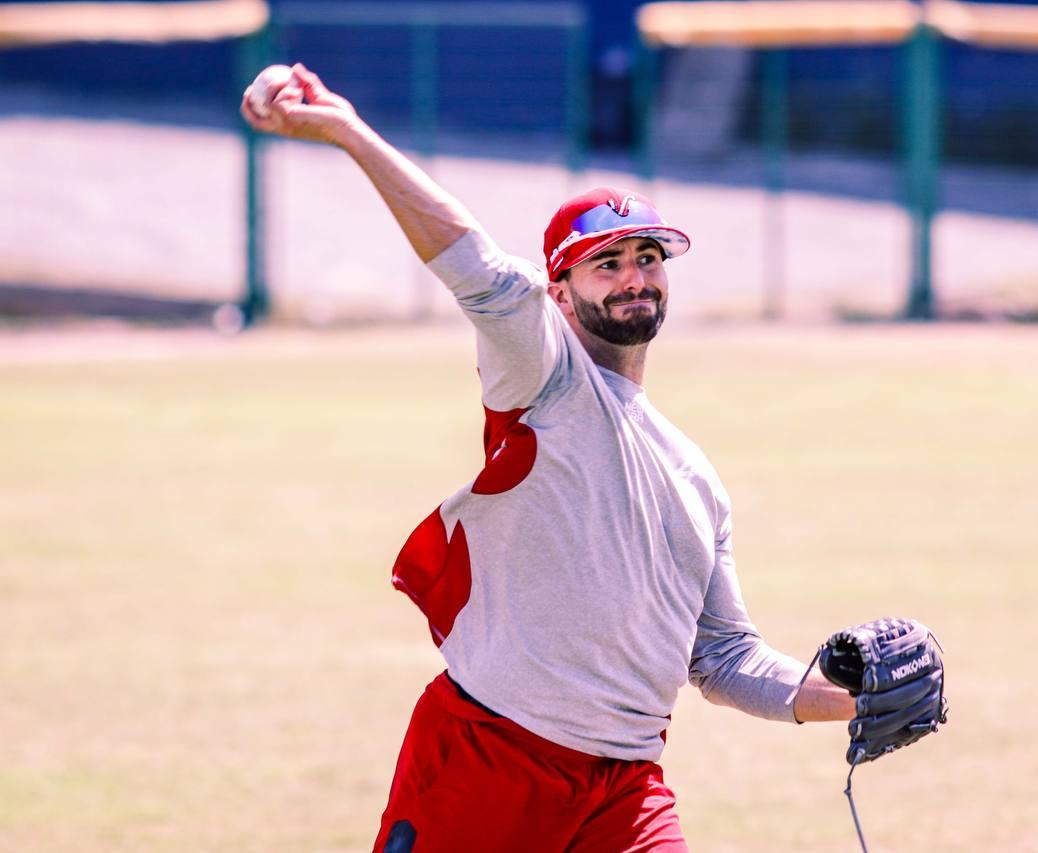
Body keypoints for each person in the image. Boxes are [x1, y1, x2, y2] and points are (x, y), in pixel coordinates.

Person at [242, 64, 860, 852]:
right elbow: (476, 269)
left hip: (625, 790)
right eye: (608, 263)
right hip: (489, 756)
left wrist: (847, 698)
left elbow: (724, 655)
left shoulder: (695, 475)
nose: (635, 275)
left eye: (647, 258)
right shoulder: (545, 377)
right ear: (560, 294)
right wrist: (346, 129)